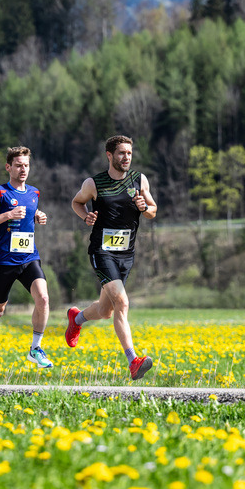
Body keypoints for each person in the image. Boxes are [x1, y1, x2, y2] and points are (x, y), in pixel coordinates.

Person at [65, 134, 157, 380]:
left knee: (106, 311)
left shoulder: (140, 180)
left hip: (126, 254)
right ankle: (133, 361)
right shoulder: (94, 183)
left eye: (129, 153)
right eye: (121, 153)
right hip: (102, 251)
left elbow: (153, 211)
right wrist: (85, 216)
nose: (126, 157)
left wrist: (144, 208)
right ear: (109, 155)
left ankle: (77, 317)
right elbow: (76, 202)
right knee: (122, 303)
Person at [0, 146, 53, 378]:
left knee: (43, 299)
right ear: (8, 167)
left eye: (26, 165)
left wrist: (38, 215)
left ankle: (35, 348)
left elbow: (29, 209)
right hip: (4, 261)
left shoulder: (34, 193)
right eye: (18, 165)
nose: (23, 169)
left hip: (29, 258)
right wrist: (7, 215)